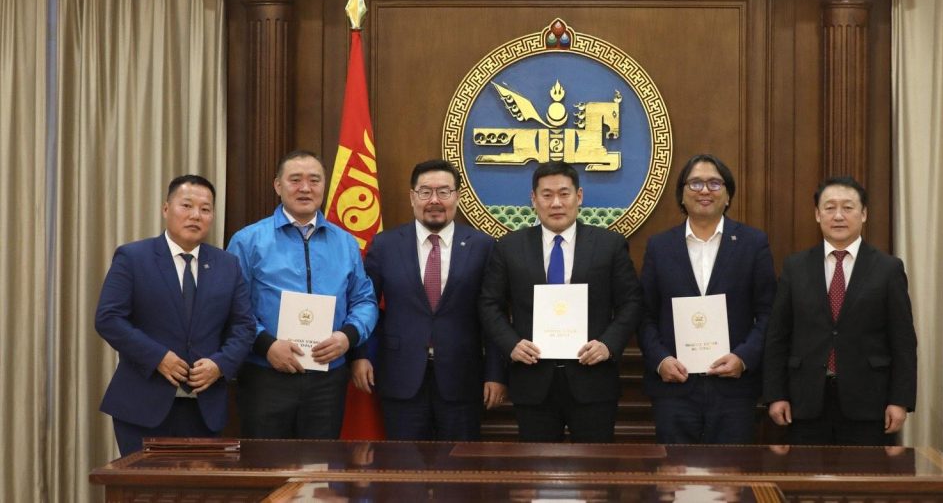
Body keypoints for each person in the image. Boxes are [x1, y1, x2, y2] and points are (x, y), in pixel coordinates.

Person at [479, 161, 643, 443]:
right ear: (533, 199)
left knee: (596, 466)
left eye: (564, 194)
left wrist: (608, 344)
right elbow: (489, 303)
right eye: (547, 195)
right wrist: (511, 344)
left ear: (579, 196)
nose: (556, 203)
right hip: (532, 381)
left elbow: (632, 302)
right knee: (536, 466)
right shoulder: (509, 247)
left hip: (593, 380)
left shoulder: (609, 244)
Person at [96, 175, 256, 456]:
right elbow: (109, 319)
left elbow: (244, 327)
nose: (196, 215)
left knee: (199, 484)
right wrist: (158, 357)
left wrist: (219, 365)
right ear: (166, 209)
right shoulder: (133, 257)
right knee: (144, 484)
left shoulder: (227, 265)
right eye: (187, 206)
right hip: (143, 404)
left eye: (205, 209)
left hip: (205, 407)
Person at [350, 159, 507, 440]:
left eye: (444, 191)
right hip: (400, 375)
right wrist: (360, 356)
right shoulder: (385, 245)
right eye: (425, 192)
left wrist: (495, 374)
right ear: (412, 196)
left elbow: (493, 314)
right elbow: (365, 304)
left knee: (459, 463)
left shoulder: (483, 246)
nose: (434, 200)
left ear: (457, 196)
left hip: (463, 379)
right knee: (403, 463)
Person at [227, 150, 378, 439]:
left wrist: (348, 336)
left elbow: (365, 300)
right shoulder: (248, 241)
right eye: (295, 180)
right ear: (278, 185)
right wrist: (266, 345)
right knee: (266, 461)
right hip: (265, 375)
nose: (305, 188)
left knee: (318, 463)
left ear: (324, 186)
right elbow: (234, 307)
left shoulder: (346, 243)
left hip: (328, 379)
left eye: (314, 180)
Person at [763, 176, 917, 445]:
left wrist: (900, 400)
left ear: (864, 214)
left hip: (870, 402)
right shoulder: (795, 267)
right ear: (817, 214)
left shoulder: (888, 269)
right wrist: (776, 394)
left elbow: (903, 341)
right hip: (805, 400)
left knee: (864, 472)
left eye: (847, 207)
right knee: (805, 473)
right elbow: (778, 336)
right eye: (829, 207)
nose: (838, 216)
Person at [637, 154, 777, 443]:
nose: (704, 190)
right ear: (681, 195)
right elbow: (644, 314)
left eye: (714, 183)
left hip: (734, 390)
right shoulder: (660, 246)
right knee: (675, 470)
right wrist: (660, 360)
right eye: (695, 183)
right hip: (674, 389)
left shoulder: (752, 243)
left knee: (731, 471)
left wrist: (744, 357)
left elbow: (769, 312)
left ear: (728, 196)